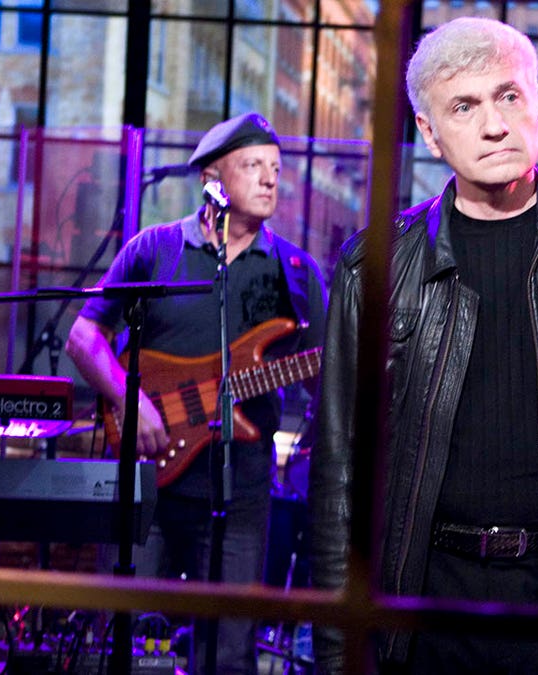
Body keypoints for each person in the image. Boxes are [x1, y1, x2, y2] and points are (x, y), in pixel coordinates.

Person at [309, 17, 538, 675]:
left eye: (509, 95)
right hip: (419, 617)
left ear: (537, 104)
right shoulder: (375, 267)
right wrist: (342, 651)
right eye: (464, 106)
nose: (494, 125)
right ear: (429, 132)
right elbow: (339, 474)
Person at [65, 112, 327, 675]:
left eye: (276, 168)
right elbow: (84, 338)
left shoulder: (296, 271)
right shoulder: (154, 249)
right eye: (253, 166)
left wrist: (348, 378)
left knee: (227, 654)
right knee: (125, 642)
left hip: (241, 491)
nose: (270, 179)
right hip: (145, 481)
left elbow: (323, 376)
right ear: (212, 180)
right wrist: (129, 400)